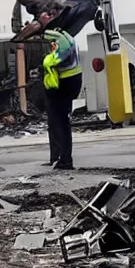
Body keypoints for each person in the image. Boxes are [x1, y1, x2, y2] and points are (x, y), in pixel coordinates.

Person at [42, 29, 83, 170]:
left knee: (58, 122)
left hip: (64, 84)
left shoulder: (60, 38)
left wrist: (47, 60)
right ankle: (60, 157)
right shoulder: (67, 35)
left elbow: (59, 57)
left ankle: (64, 159)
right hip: (70, 82)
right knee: (61, 122)